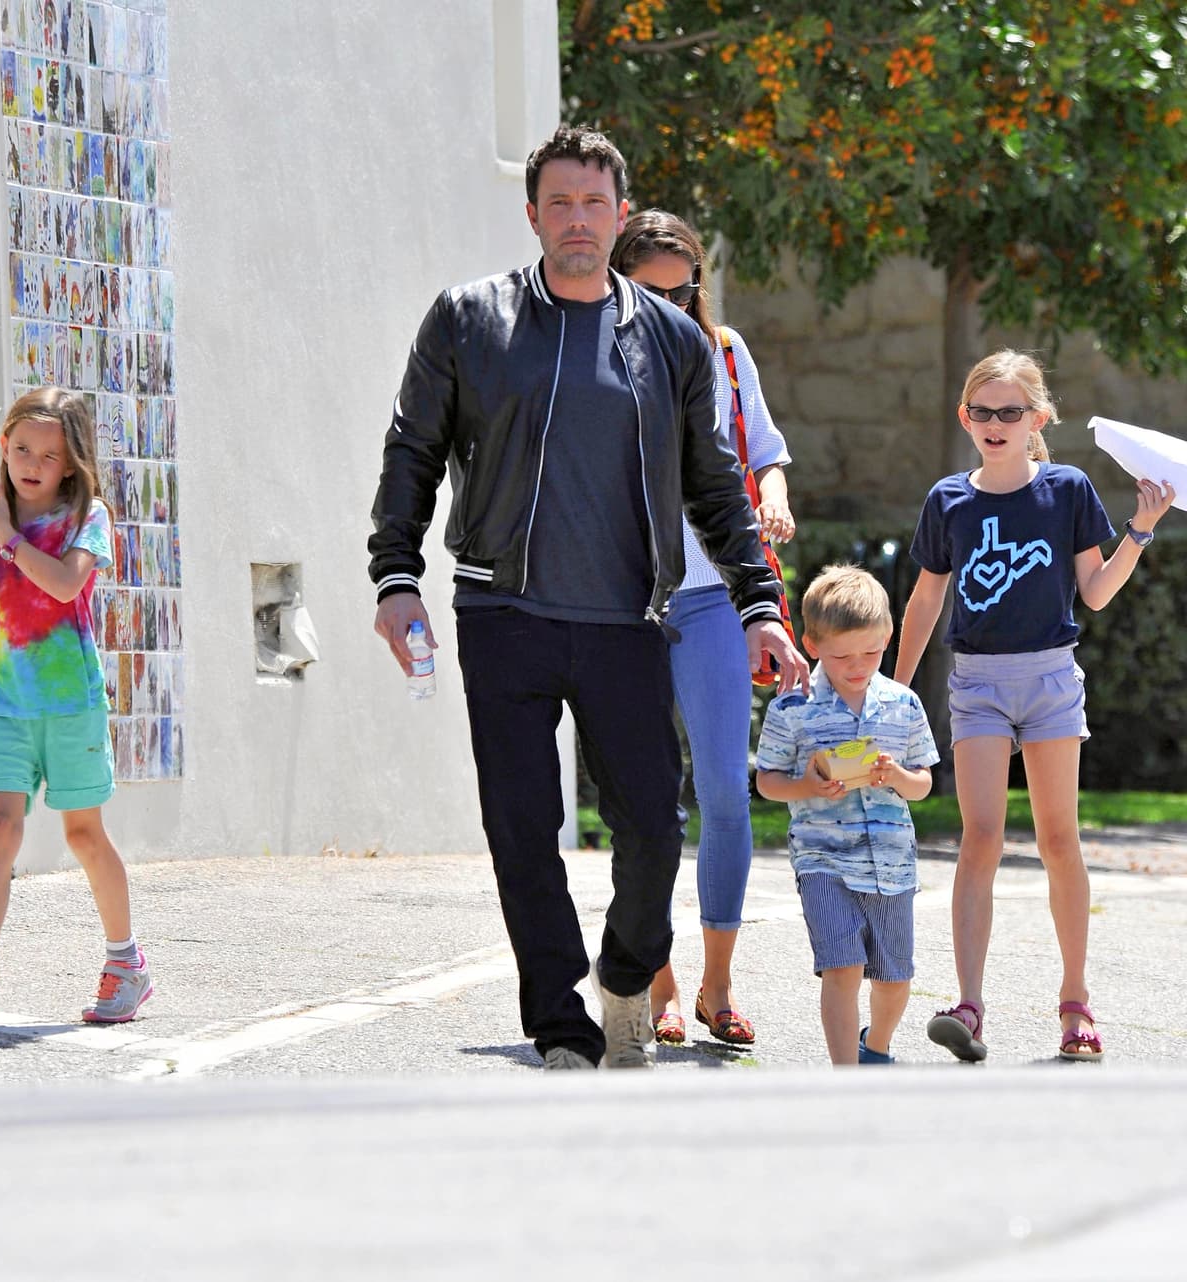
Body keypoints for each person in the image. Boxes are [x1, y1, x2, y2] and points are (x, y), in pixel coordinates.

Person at [369, 125, 808, 1071]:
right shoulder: (469, 319)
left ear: (619, 214)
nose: (578, 219)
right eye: (560, 203)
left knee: (655, 826)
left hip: (627, 620)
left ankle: (625, 973)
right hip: (503, 612)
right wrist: (395, 576)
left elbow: (716, 483)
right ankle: (560, 1022)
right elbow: (413, 449)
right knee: (522, 828)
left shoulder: (674, 341)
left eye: (594, 203)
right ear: (533, 214)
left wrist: (759, 603)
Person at [894, 350, 1175, 1062]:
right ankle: (969, 1006)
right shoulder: (948, 500)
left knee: (1058, 840)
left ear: (1037, 419)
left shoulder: (1067, 489)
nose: (995, 423)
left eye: (1010, 412)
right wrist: (895, 692)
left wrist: (1140, 529)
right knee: (981, 837)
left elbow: (1096, 592)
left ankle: (1075, 1002)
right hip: (978, 684)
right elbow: (926, 601)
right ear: (965, 417)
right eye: (982, 411)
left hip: (1050, 679)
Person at [610, 209, 794, 1047]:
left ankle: (719, 985)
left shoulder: (725, 352)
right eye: (650, 292)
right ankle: (661, 981)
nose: (669, 306)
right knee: (646, 801)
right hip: (628, 601)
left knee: (724, 790)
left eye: (681, 291)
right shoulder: (590, 354)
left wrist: (774, 498)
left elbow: (763, 450)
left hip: (715, 591)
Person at [0, 387, 152, 1030]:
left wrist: (7, 538)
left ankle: (126, 964)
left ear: (70, 464)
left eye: (49, 456)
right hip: (1, 704)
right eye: (22, 448)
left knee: (83, 834)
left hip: (71, 704)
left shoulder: (87, 518)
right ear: (4, 445)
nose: (32, 463)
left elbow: (66, 584)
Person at [755, 566, 938, 1065]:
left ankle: (875, 1047)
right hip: (822, 860)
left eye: (871, 653)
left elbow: (923, 783)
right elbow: (767, 781)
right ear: (812, 645)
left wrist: (897, 776)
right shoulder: (792, 707)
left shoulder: (903, 704)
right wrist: (805, 786)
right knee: (842, 968)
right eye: (842, 656)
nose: (858, 666)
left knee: (895, 979)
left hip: (892, 866)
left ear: (887, 638)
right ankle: (846, 1077)